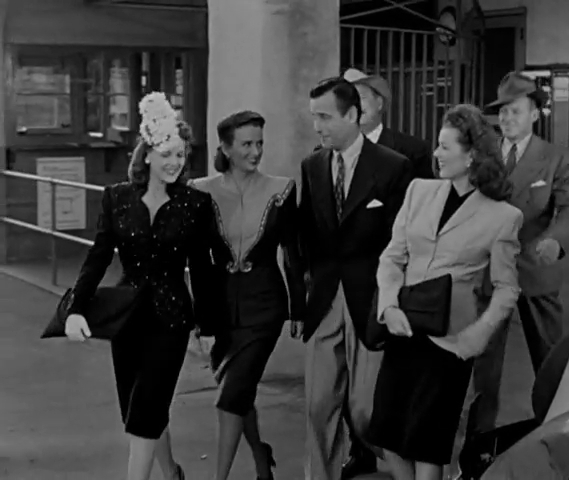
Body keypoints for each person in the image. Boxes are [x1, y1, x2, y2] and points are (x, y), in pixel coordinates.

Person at [64, 92, 220, 480]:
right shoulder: (116, 198)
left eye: (181, 155)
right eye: (166, 153)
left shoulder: (195, 204)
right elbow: (98, 257)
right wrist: (75, 308)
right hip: (127, 319)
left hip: (171, 319)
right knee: (139, 410)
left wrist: (209, 326)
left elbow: (203, 269)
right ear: (147, 154)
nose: (174, 162)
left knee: (147, 409)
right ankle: (172, 473)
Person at [367, 104, 523, 480]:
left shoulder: (504, 217)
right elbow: (392, 257)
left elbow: (507, 289)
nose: (435, 153)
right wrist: (388, 307)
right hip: (404, 328)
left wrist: (478, 334)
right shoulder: (419, 191)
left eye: (444, 146)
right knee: (387, 436)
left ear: (471, 156)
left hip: (451, 341)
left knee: (428, 444)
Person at [460, 72, 569, 478]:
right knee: (485, 369)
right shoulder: (485, 156)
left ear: (534, 113)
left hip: (535, 272)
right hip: (491, 274)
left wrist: (555, 240)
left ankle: (560, 440)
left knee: (550, 362)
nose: (508, 119)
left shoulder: (555, 157)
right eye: (502, 113)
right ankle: (478, 449)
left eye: (515, 111)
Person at [299, 76, 413, 480]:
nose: (317, 126)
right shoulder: (312, 166)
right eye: (314, 117)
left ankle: (409, 471)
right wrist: (304, 295)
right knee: (317, 406)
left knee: (365, 411)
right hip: (325, 301)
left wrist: (394, 301)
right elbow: (306, 235)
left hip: (371, 302)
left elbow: (402, 244)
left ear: (352, 115)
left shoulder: (393, 167)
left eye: (325, 117)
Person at [191, 111, 306, 480]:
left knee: (229, 399)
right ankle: (260, 456)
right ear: (226, 148)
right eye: (246, 144)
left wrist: (298, 308)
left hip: (265, 308)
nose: (256, 152)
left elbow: (292, 252)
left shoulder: (282, 190)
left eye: (259, 143)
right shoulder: (200, 191)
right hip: (221, 308)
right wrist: (202, 321)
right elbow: (199, 263)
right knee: (240, 394)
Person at [344, 67, 434, 180]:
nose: (355, 106)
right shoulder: (331, 151)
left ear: (379, 103)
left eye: (361, 98)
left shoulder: (413, 150)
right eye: (348, 101)